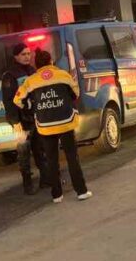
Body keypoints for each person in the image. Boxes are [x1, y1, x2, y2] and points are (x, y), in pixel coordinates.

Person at [14, 49, 91, 203]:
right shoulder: (63, 75)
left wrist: (32, 105)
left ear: (37, 65)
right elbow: (76, 94)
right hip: (66, 122)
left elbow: (18, 100)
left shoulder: (31, 80)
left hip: (45, 125)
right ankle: (81, 191)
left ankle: (57, 195)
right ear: (51, 62)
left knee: (51, 159)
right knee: (72, 158)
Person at [0, 43, 46, 195]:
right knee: (24, 153)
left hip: (35, 118)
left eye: (28, 54)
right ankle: (28, 184)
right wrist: (15, 122)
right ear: (16, 56)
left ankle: (45, 179)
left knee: (40, 150)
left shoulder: (33, 71)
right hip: (21, 121)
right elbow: (9, 101)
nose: (27, 57)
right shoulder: (10, 75)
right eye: (23, 54)